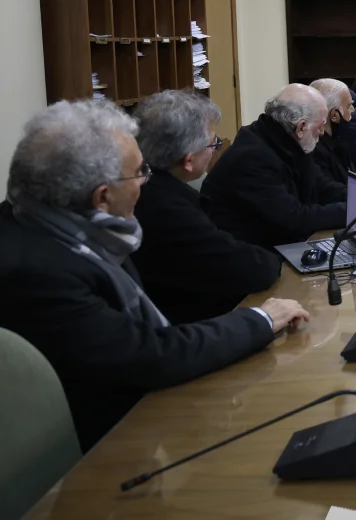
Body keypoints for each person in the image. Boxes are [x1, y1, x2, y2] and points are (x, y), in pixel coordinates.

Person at [0, 100, 310, 451]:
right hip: (107, 448)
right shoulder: (38, 274)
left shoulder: (60, 225)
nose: (148, 181)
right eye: (139, 172)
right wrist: (260, 320)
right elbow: (148, 355)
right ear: (102, 197)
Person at [130, 91, 281, 324]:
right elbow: (249, 269)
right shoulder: (166, 209)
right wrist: (274, 261)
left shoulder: (146, 184)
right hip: (186, 326)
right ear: (189, 160)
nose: (215, 150)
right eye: (214, 143)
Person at [202, 84, 356, 247]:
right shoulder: (252, 157)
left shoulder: (285, 139)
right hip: (253, 258)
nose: (322, 133)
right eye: (320, 126)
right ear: (301, 126)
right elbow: (295, 218)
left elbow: (323, 187)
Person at [310, 78, 354, 186]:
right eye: (349, 106)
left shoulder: (339, 141)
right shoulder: (316, 152)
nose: (353, 110)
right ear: (334, 115)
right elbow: (329, 190)